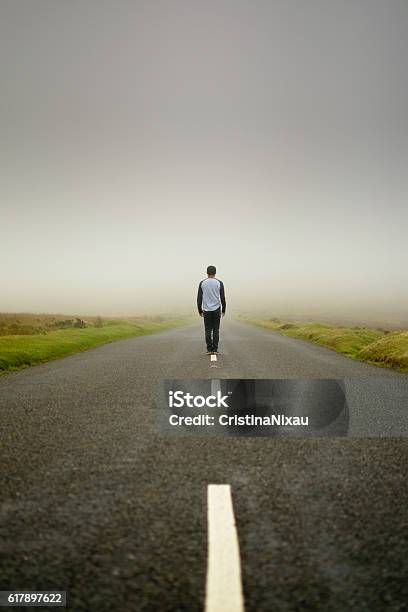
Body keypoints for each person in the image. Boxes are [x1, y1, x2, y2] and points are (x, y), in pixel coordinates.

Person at [197, 265, 226, 354]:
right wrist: (224, 309)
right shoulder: (219, 283)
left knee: (208, 329)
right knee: (216, 329)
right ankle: (215, 349)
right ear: (215, 272)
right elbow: (222, 297)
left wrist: (200, 310)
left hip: (206, 309)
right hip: (217, 308)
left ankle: (209, 349)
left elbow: (199, 298)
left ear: (207, 272)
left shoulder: (202, 283)